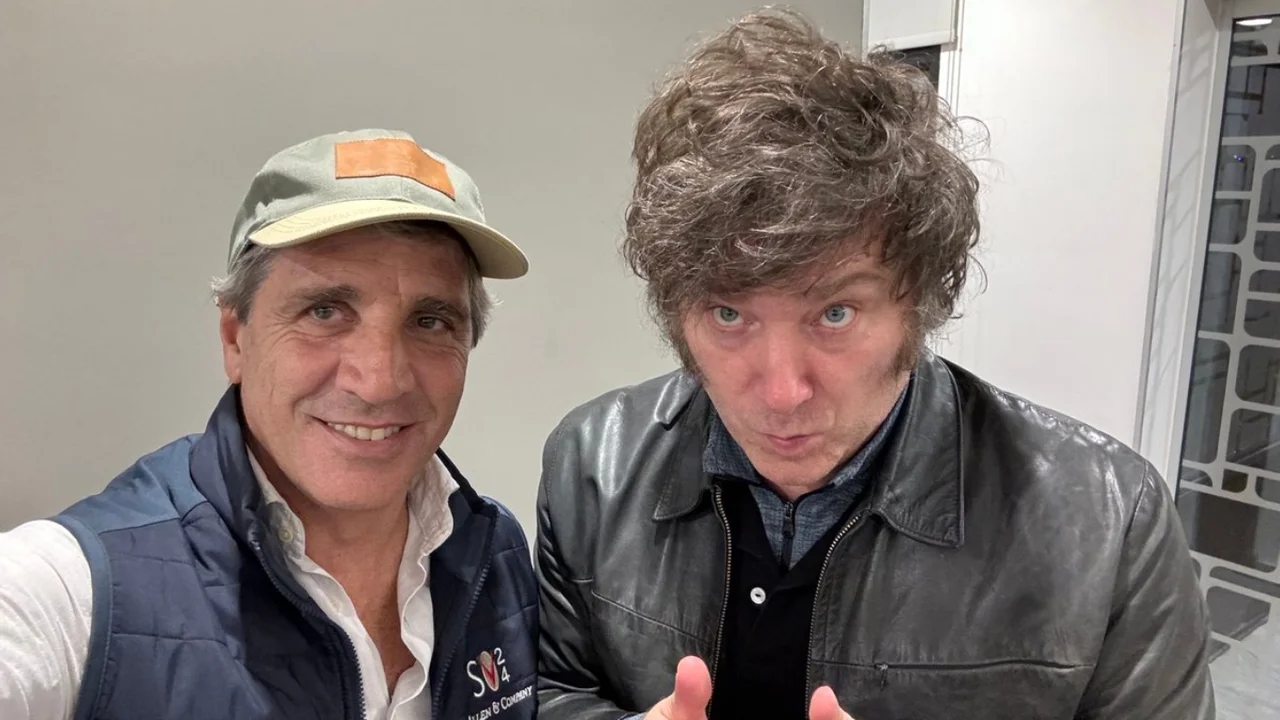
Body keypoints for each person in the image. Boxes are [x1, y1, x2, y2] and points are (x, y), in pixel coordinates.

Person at [534, 10, 1214, 720]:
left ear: (917, 304)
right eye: (729, 315)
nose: (783, 392)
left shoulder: (1110, 523)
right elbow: (550, 691)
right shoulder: (592, 467)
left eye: (835, 314)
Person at [0, 129, 539, 720]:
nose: (380, 381)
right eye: (324, 311)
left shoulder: (491, 551)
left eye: (430, 322)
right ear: (235, 339)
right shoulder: (74, 591)